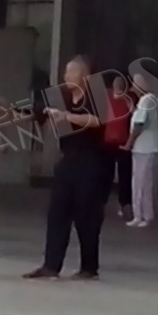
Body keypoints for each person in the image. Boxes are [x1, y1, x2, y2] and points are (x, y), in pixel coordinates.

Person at [25, 56, 106, 281]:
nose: (66, 76)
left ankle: (89, 267)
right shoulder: (61, 96)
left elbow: (97, 121)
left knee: (87, 215)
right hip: (67, 159)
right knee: (57, 212)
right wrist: (11, 114)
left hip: (91, 161)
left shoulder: (96, 94)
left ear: (85, 75)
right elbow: (38, 116)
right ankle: (51, 265)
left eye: (72, 72)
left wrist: (67, 116)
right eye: (66, 73)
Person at [124, 69, 158, 228]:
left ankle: (140, 215)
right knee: (147, 183)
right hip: (150, 148)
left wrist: (129, 143)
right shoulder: (153, 100)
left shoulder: (146, 101)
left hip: (144, 148)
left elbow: (139, 124)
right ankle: (146, 214)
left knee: (140, 184)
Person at [102, 71, 134, 217]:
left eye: (121, 83)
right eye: (116, 82)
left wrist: (125, 98)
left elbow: (133, 112)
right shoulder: (106, 96)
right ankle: (101, 201)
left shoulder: (128, 98)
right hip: (107, 142)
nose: (118, 85)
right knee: (105, 174)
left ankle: (124, 203)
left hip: (123, 142)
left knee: (125, 175)